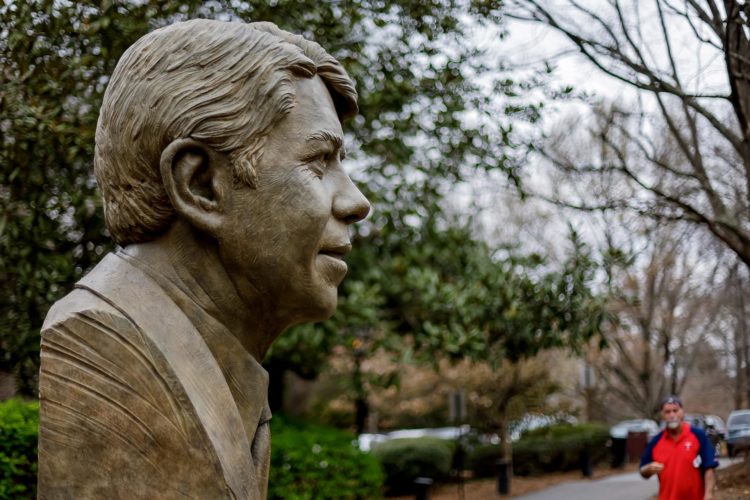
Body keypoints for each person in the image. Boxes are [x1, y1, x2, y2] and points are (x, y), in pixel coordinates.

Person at [38, 19, 370, 499]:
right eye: (319, 160)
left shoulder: (225, 362)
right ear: (200, 186)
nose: (356, 202)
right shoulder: (107, 342)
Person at [640, 395, 719, 500]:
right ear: (662, 415)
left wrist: (708, 495)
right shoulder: (656, 442)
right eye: (667, 412)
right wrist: (648, 469)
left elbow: (709, 468)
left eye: (675, 410)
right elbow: (643, 470)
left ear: (682, 412)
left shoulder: (698, 435)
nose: (672, 415)